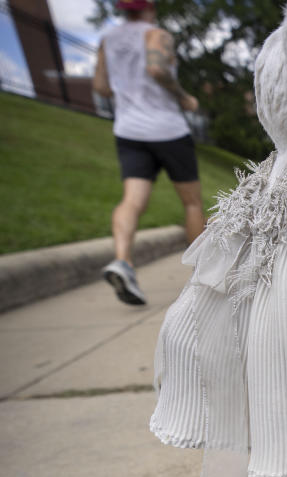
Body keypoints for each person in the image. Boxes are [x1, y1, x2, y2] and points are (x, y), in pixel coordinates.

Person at [93, 0, 203, 305]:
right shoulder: (158, 35)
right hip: (167, 129)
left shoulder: (107, 40)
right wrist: (183, 98)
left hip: (128, 130)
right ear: (150, 7)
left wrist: (128, 93)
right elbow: (157, 68)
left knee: (132, 200)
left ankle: (123, 261)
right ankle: (202, 278)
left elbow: (101, 86)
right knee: (192, 203)